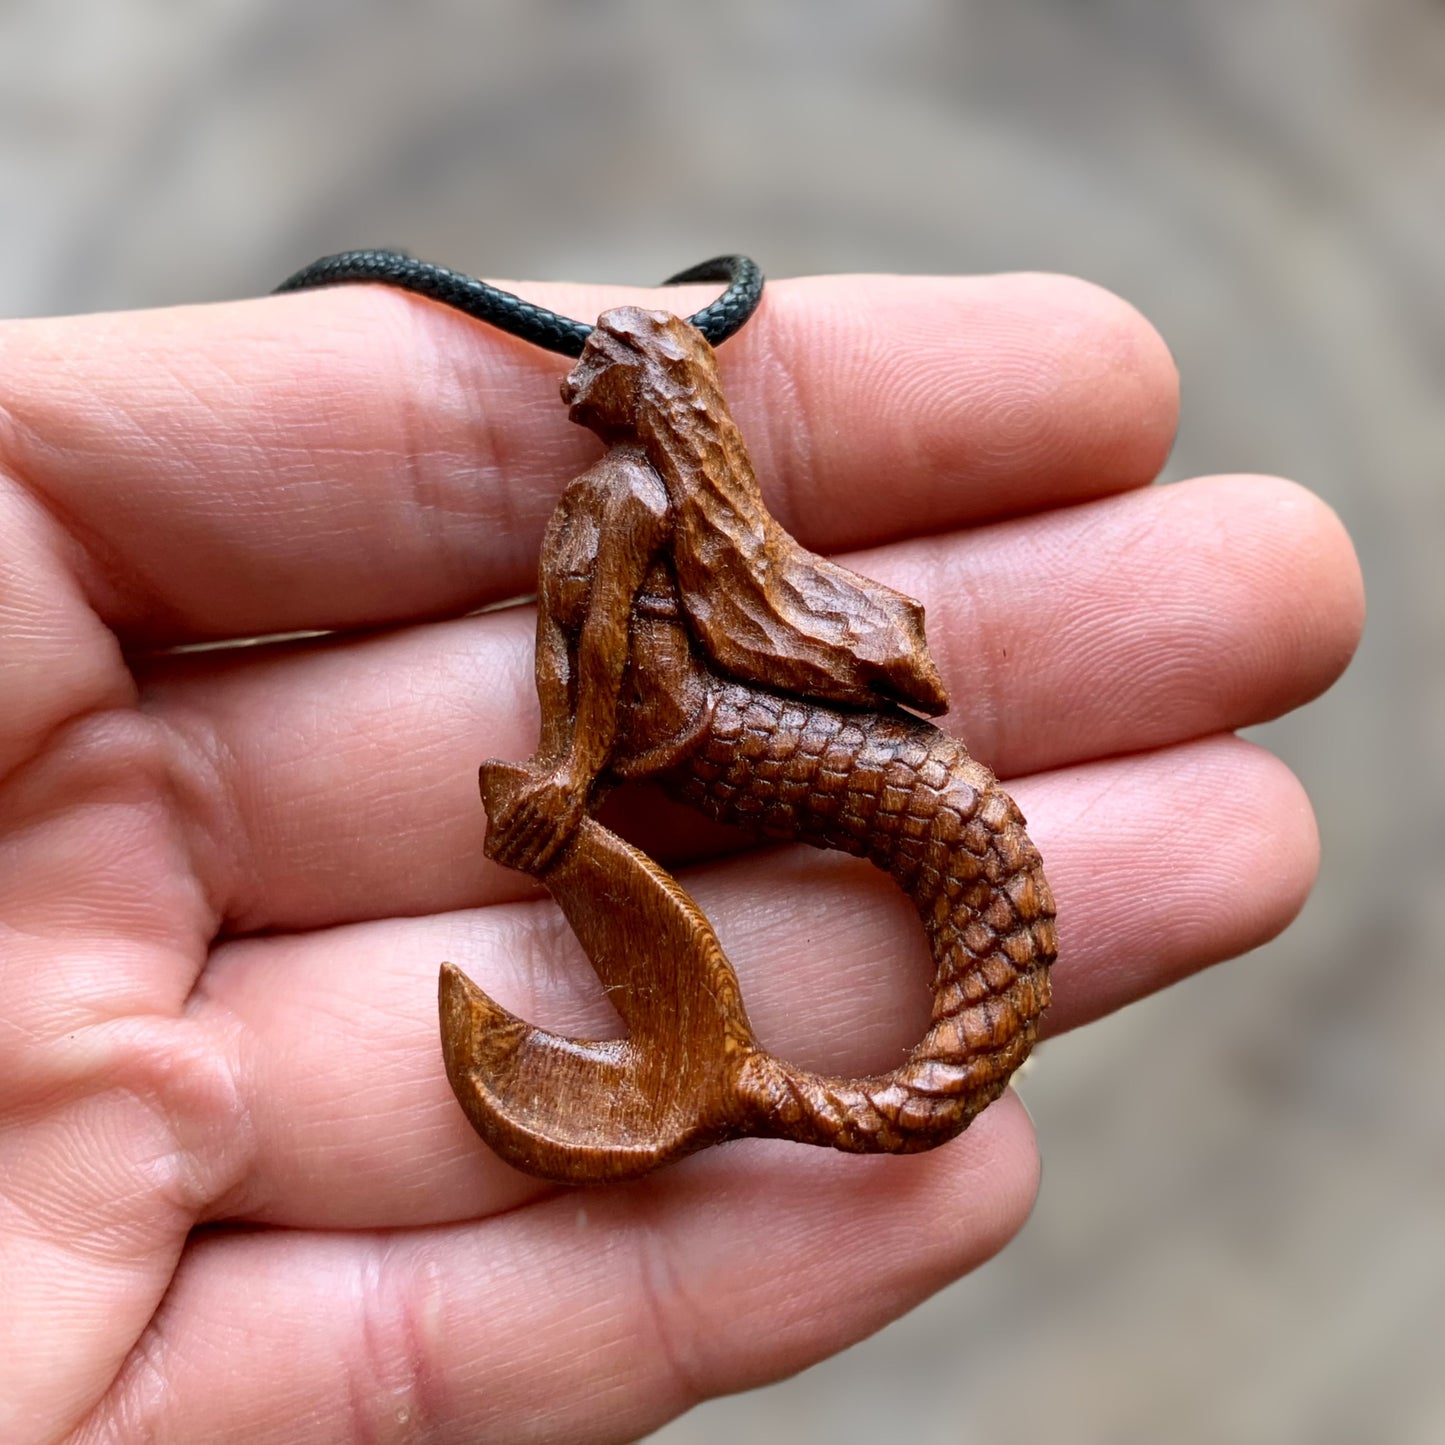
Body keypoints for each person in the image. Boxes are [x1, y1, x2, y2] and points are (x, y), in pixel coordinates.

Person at [0, 270, 1362, 1441]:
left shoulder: (621, 499)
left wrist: (568, 770)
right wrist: (560, 769)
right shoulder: (621, 497)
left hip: (682, 735)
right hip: (684, 737)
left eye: (595, 360)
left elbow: (591, 655)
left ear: (642, 380)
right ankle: (731, 1074)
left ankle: (731, 1077)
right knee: (945, 820)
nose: (569, 382)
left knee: (955, 830)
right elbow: (570, 649)